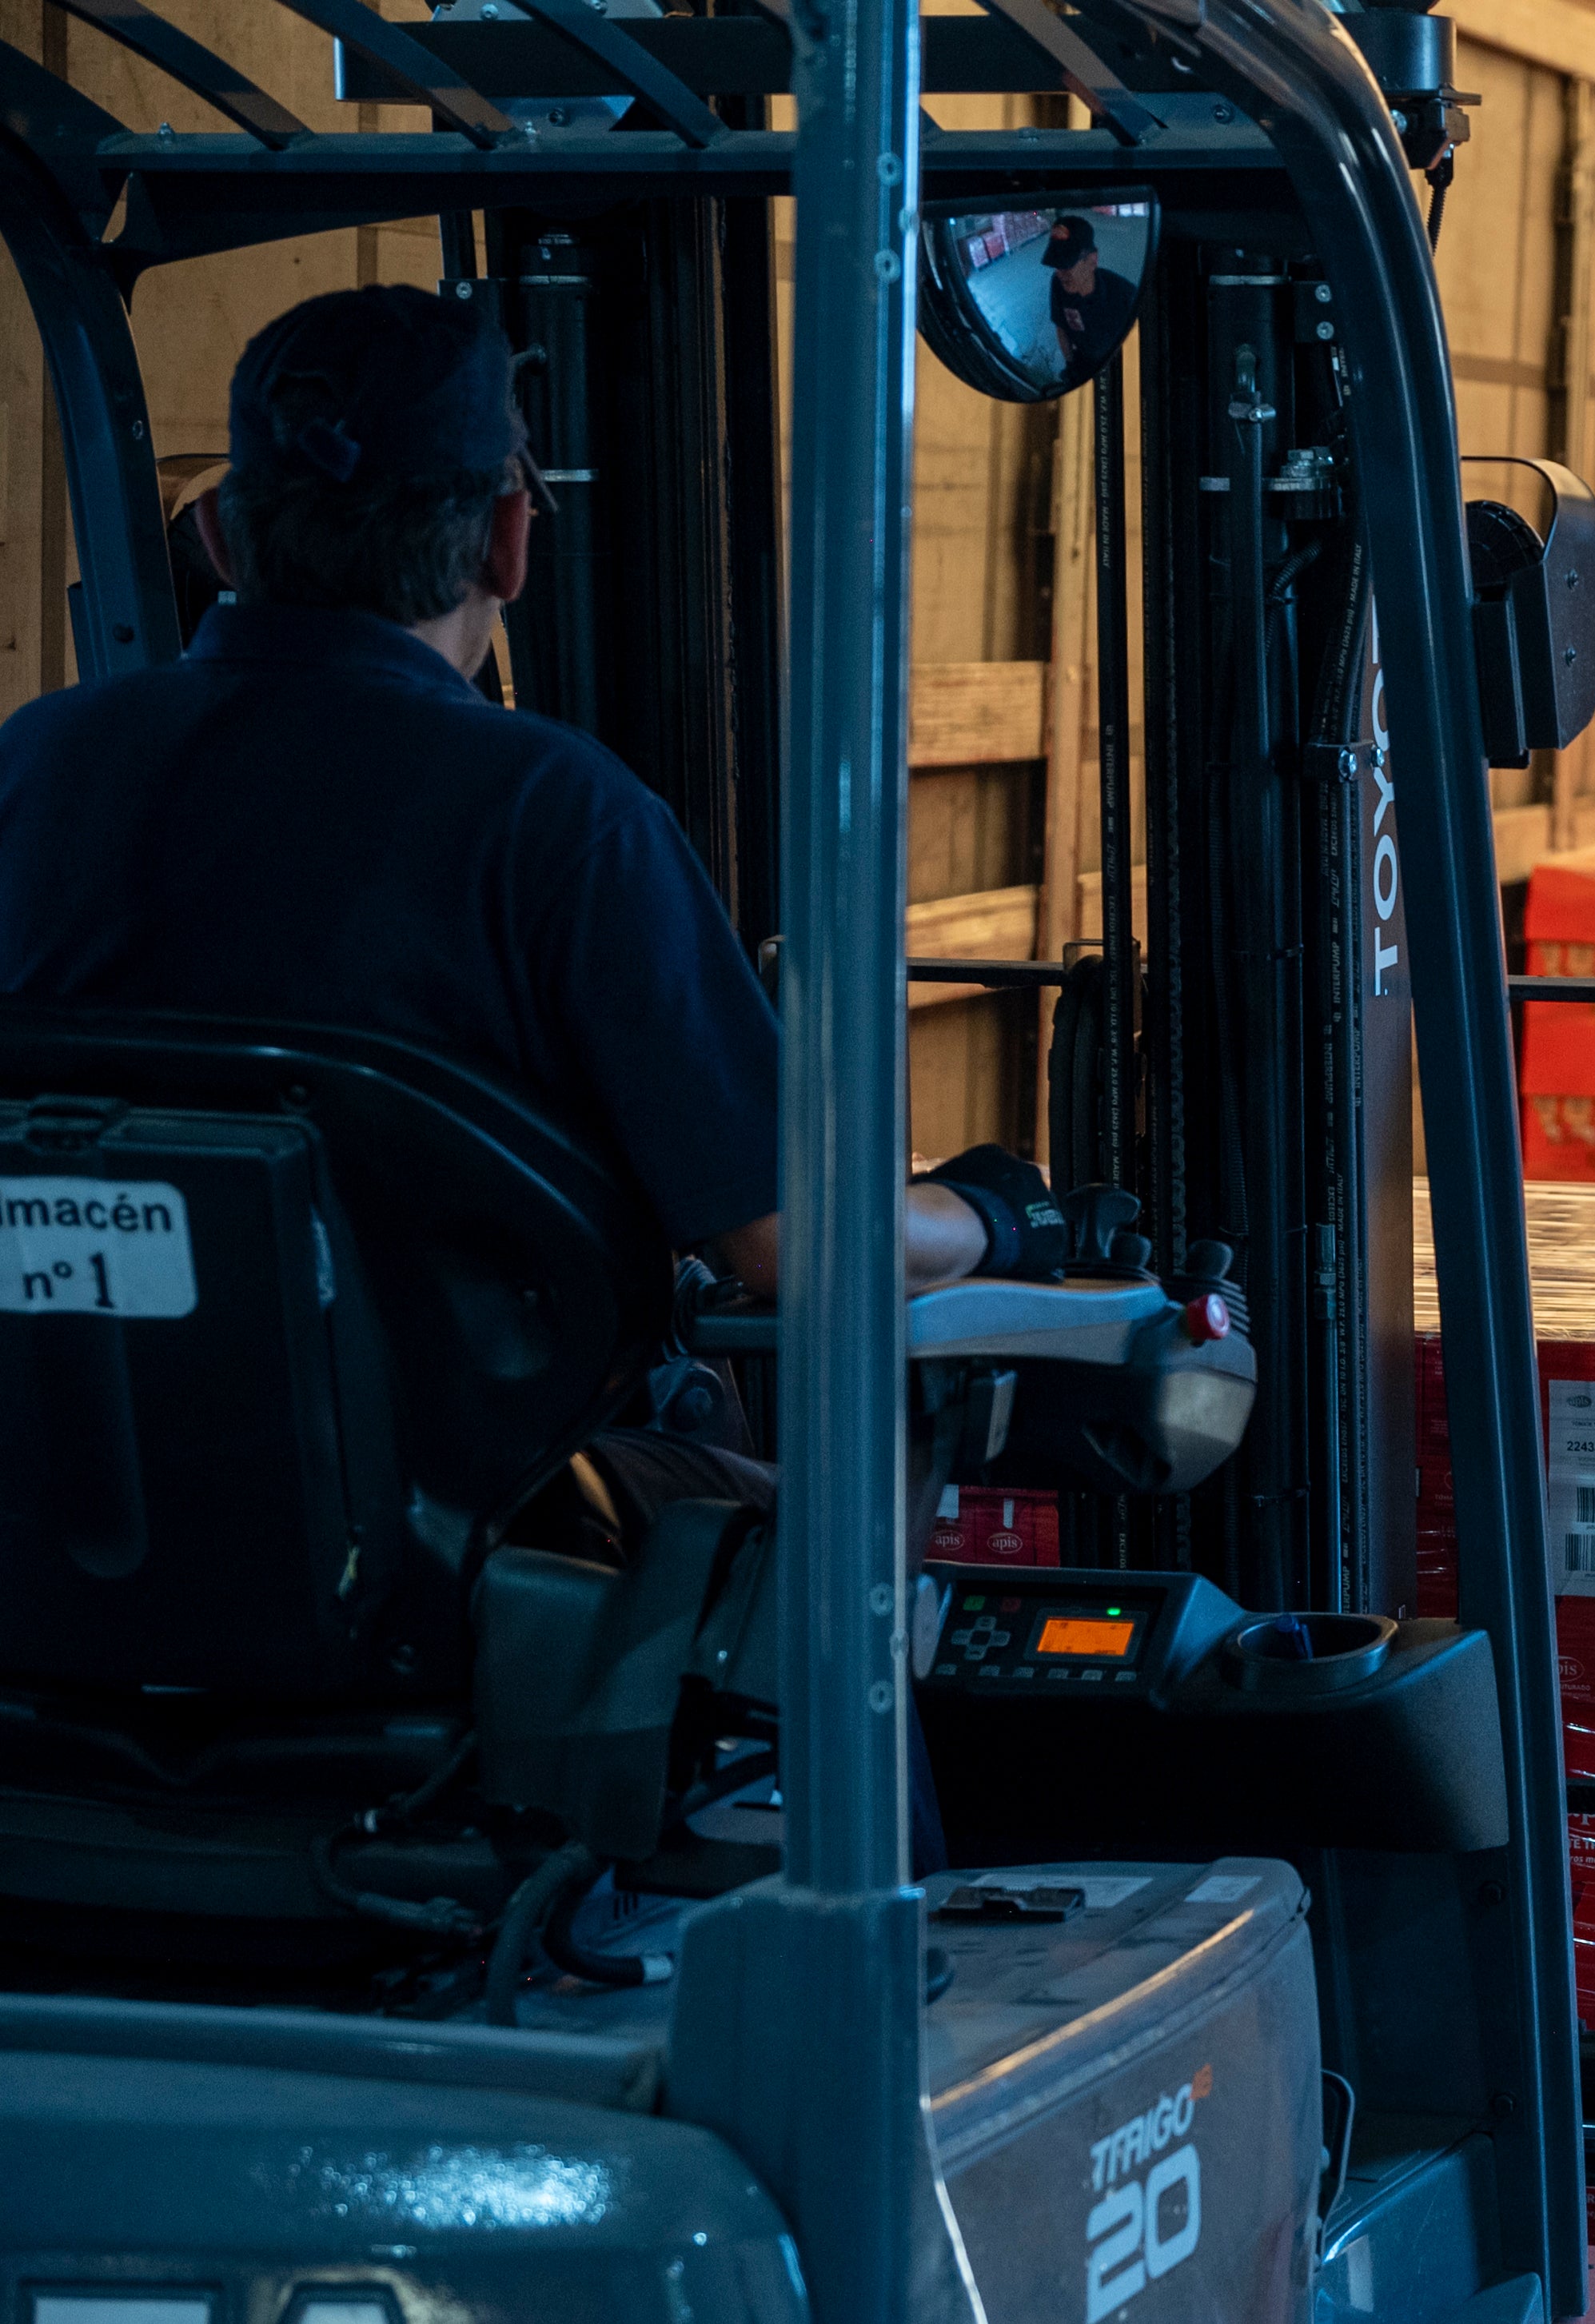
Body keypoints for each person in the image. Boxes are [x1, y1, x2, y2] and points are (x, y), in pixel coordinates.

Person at [0, 286, 1043, 1859]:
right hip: (444, 1552)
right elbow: (783, 1244)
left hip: (54, 1526)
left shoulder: (32, 768)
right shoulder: (558, 822)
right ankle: (878, 2010)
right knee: (822, 1537)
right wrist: (994, 1222)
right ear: (506, 541)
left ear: (218, 534)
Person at [1044, 212, 1139, 379]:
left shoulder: (1125, 294)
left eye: (1068, 264)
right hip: (1083, 360)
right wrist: (1070, 364)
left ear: (1092, 260)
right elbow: (1061, 327)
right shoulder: (1058, 284)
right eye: (1057, 265)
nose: (1060, 273)